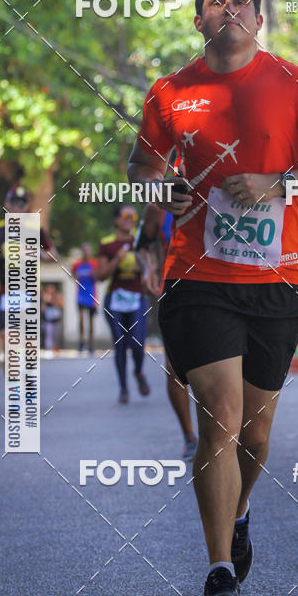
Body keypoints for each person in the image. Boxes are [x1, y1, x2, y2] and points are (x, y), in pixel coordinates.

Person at [127, 0, 298, 596]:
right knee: (223, 419)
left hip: (277, 281)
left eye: (239, 1)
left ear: (258, 17)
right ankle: (219, 574)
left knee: (257, 432)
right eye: (214, 1)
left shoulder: (292, 82)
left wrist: (280, 184)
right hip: (197, 278)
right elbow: (141, 167)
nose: (227, 9)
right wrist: (158, 192)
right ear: (199, 18)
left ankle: (241, 513)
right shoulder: (171, 91)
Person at [135, 197, 198, 461]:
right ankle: (189, 436)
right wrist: (148, 267)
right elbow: (142, 247)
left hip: (225, 291)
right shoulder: (159, 204)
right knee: (175, 368)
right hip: (176, 292)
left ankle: (222, 433)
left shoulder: (228, 189)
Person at [0, 185, 56, 338]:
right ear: (6, 203)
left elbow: (53, 256)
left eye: (21, 203)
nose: (17, 207)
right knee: (6, 337)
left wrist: (33, 252)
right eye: (13, 202)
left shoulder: (35, 229)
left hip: (30, 291)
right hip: (5, 291)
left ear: (27, 206)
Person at [96, 205, 150, 403]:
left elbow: (150, 269)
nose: (130, 219)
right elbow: (100, 276)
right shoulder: (107, 244)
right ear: (116, 220)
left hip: (137, 298)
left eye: (134, 216)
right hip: (115, 299)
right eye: (126, 216)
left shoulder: (140, 241)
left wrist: (146, 267)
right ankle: (124, 388)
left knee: (137, 342)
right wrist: (116, 260)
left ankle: (138, 371)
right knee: (119, 343)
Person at [71, 243, 97, 354]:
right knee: (81, 319)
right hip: (80, 296)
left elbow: (98, 277)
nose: (86, 252)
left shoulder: (94, 263)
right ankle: (81, 342)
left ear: (90, 251)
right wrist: (76, 276)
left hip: (91, 296)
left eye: (88, 250)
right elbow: (72, 275)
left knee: (91, 321)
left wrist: (93, 274)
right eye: (84, 250)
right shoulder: (77, 264)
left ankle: (90, 344)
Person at [41, 283, 64, 351]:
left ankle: (56, 348)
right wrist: (45, 301)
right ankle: (49, 349)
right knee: (49, 335)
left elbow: (62, 304)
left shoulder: (58, 295)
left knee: (56, 335)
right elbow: (43, 309)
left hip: (57, 319)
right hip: (49, 319)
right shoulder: (45, 297)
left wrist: (52, 300)